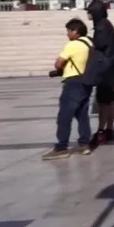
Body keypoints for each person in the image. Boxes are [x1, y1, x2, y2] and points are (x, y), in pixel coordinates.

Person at [43, 18, 95, 160]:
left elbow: (58, 64)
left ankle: (61, 147)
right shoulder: (90, 42)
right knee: (82, 114)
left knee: (64, 116)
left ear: (75, 31)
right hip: (87, 81)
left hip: (73, 82)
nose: (67, 34)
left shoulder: (73, 45)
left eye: (69, 31)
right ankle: (84, 144)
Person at [86, 1, 114, 145]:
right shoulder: (106, 24)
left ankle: (101, 130)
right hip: (111, 66)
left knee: (103, 101)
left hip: (105, 68)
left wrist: (88, 41)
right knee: (110, 99)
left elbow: (99, 45)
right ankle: (109, 129)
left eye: (89, 11)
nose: (87, 14)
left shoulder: (101, 27)